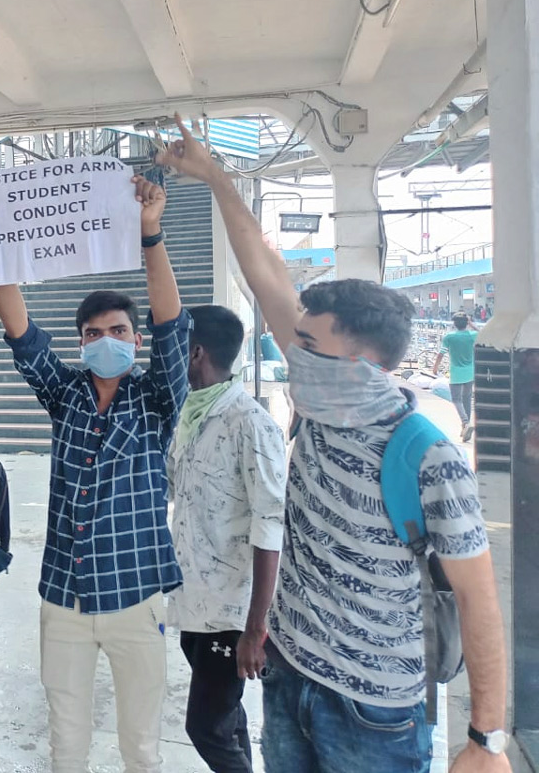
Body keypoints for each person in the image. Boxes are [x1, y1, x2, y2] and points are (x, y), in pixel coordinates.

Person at [159, 113, 511, 773]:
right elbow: (265, 273)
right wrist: (215, 178)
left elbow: (478, 597)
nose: (297, 355)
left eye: (312, 347)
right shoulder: (320, 412)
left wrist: (485, 738)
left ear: (366, 363)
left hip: (375, 709)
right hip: (289, 679)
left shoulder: (429, 456)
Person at [0, 175, 189, 773]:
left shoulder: (156, 399)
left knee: (141, 746)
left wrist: (151, 234)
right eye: (92, 334)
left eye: (117, 332)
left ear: (135, 340)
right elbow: (21, 333)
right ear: (80, 343)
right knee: (66, 740)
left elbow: (173, 327)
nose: (105, 341)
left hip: (137, 599)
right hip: (64, 601)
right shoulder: (66, 396)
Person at [167, 305, 287, 773]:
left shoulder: (250, 424)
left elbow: (270, 526)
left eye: (173, 344)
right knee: (227, 718)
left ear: (195, 352)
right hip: (194, 599)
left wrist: (256, 627)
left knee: (206, 727)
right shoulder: (191, 414)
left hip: (233, 612)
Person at [433, 311, 477, 442]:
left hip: (456, 373)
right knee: (467, 399)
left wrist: (435, 368)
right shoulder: (472, 335)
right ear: (466, 323)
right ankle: (465, 426)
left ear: (454, 324)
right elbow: (482, 333)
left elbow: (441, 354)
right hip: (470, 372)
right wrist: (471, 324)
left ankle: (465, 423)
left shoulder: (449, 337)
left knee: (456, 399)